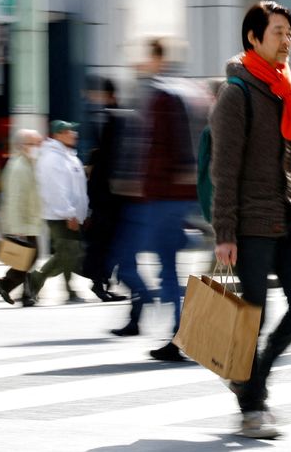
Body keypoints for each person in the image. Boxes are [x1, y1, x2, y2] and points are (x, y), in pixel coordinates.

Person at [211, 0, 291, 439]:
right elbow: (224, 169)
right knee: (250, 318)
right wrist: (224, 232)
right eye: (277, 32)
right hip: (251, 222)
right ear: (254, 38)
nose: (286, 40)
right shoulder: (236, 93)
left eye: (289, 33)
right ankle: (252, 408)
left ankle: (249, 378)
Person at [109, 39, 206, 363]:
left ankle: (180, 334)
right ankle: (180, 332)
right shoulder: (189, 90)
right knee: (170, 266)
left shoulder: (162, 94)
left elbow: (157, 147)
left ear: (156, 58)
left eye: (144, 56)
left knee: (163, 267)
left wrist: (139, 183)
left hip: (163, 194)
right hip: (182, 194)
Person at [28, 121, 89, 303]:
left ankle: (70, 290)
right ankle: (35, 280)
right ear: (58, 135)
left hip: (71, 215)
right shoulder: (52, 159)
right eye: (69, 131)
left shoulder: (68, 156)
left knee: (69, 253)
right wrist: (68, 213)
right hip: (60, 216)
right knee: (67, 253)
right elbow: (55, 190)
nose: (74, 134)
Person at [82, 77, 126, 302]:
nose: (90, 98)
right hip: (106, 195)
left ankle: (102, 282)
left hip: (108, 193)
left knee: (106, 240)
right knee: (105, 240)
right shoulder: (106, 117)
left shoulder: (110, 117)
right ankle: (100, 282)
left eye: (93, 94)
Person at [0, 130, 43, 306]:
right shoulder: (18, 166)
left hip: (30, 219)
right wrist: (16, 226)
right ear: (21, 145)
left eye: (38, 143)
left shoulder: (29, 163)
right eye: (33, 144)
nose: (37, 147)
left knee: (29, 257)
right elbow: (14, 198)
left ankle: (27, 295)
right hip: (23, 222)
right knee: (30, 256)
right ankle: (5, 284)